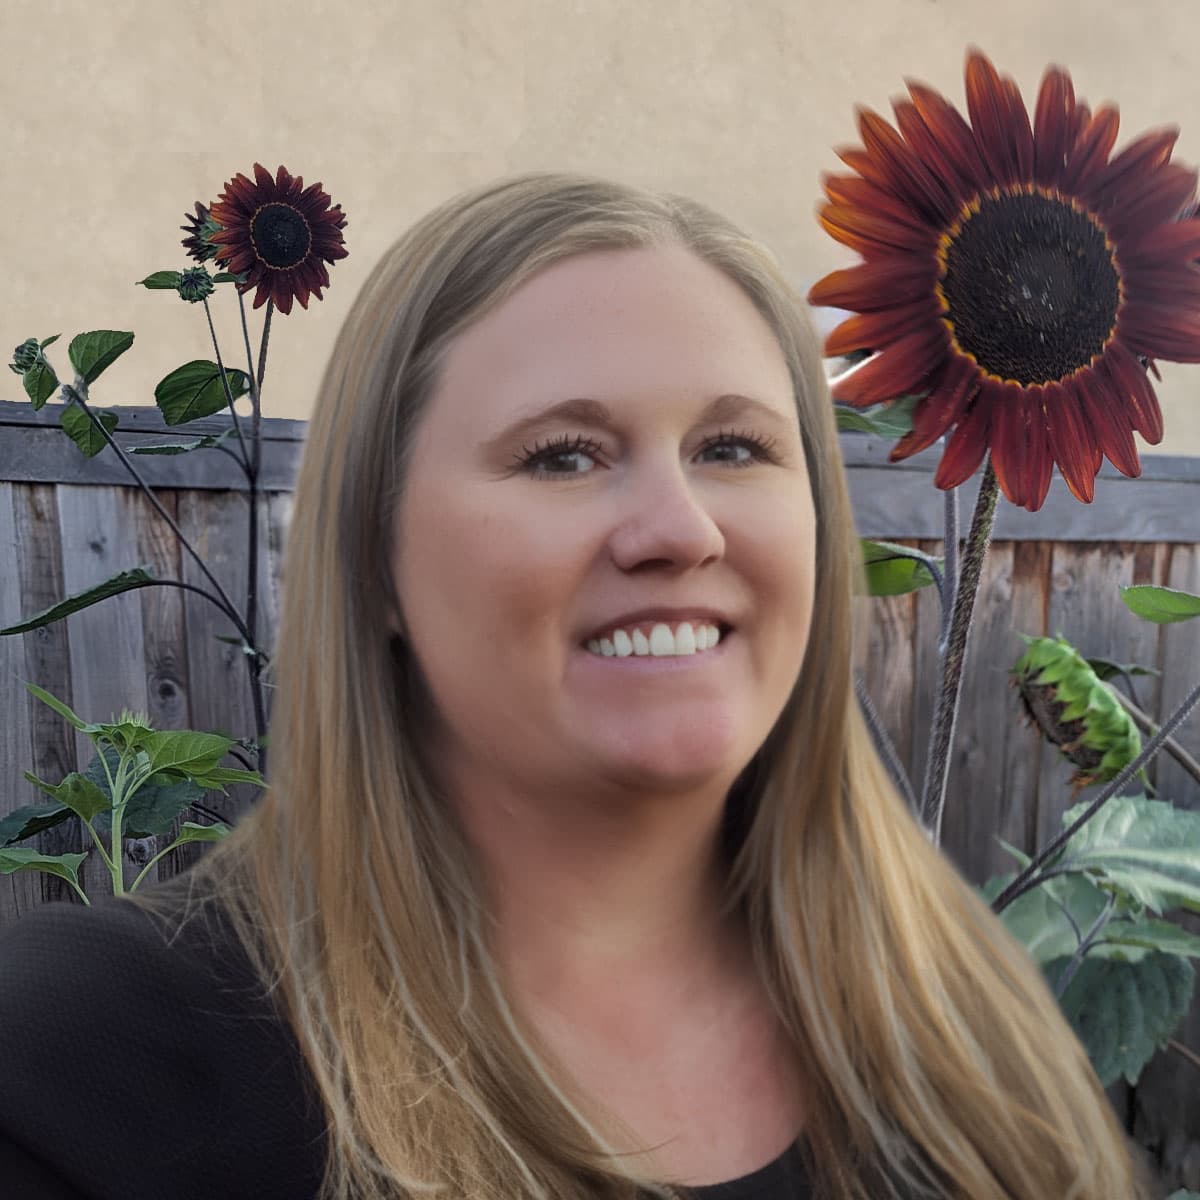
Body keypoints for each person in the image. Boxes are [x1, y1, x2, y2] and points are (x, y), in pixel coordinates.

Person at [0, 172, 1154, 1200]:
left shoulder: (973, 1035)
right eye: (564, 455)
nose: (680, 527)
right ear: (375, 557)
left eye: (734, 448)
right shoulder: (82, 1066)